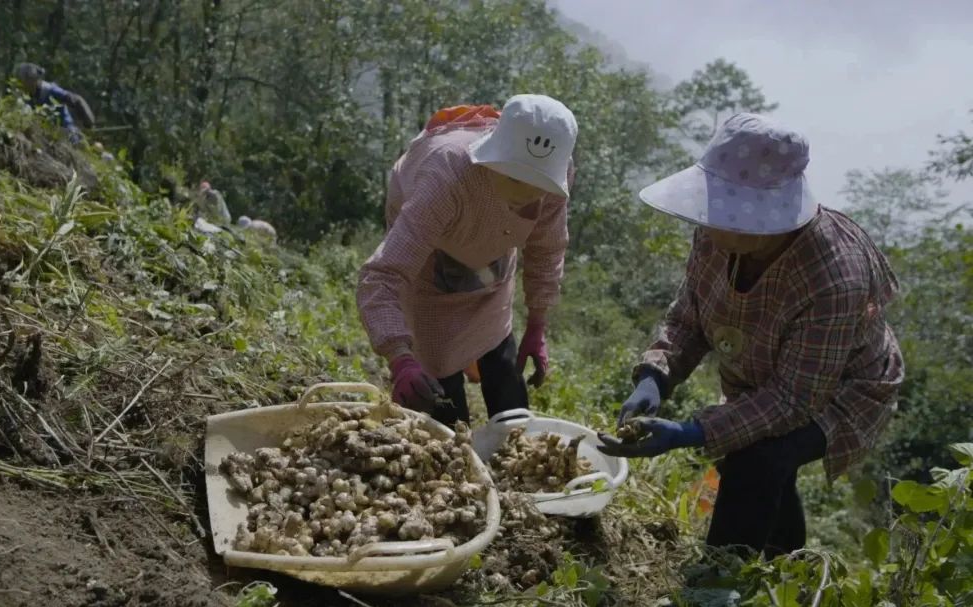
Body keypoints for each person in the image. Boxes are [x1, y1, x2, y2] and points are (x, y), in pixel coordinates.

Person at [597, 113, 904, 559]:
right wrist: (655, 376)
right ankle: (783, 556)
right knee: (760, 459)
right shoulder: (718, 234)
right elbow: (689, 316)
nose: (708, 224)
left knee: (754, 459)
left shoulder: (835, 278)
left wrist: (691, 431)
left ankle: (720, 579)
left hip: (844, 386)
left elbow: (793, 400)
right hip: (766, 366)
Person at [357, 95, 578, 427]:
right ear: (493, 158)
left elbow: (547, 248)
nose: (525, 194)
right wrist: (400, 358)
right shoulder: (446, 174)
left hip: (493, 263)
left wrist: (537, 324)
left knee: (503, 367)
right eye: (515, 178)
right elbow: (385, 275)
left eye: (537, 185)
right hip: (432, 269)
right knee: (442, 399)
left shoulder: (557, 175)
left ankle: (511, 443)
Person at [13, 63, 95, 143]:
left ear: (34, 80)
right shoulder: (25, 96)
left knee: (74, 140)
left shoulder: (50, 90)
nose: (23, 84)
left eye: (26, 81)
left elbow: (76, 100)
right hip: (45, 132)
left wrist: (88, 121)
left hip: (66, 130)